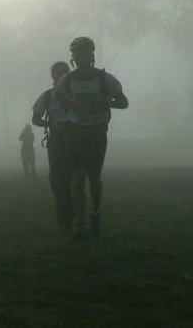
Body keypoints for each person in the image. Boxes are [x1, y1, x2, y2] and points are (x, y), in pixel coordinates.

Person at [50, 37, 128, 241]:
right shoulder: (67, 80)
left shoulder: (105, 79)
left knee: (94, 180)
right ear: (73, 57)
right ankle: (82, 222)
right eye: (77, 54)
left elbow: (123, 102)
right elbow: (59, 97)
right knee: (77, 178)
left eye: (84, 53)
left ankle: (94, 214)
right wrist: (72, 105)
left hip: (96, 133)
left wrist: (106, 101)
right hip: (75, 133)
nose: (81, 57)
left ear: (91, 55)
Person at [31, 60, 85, 229]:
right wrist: (50, 125)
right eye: (57, 74)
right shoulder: (47, 96)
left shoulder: (78, 94)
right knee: (57, 179)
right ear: (53, 77)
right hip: (57, 140)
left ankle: (73, 215)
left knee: (76, 178)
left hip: (76, 139)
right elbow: (36, 118)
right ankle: (66, 215)